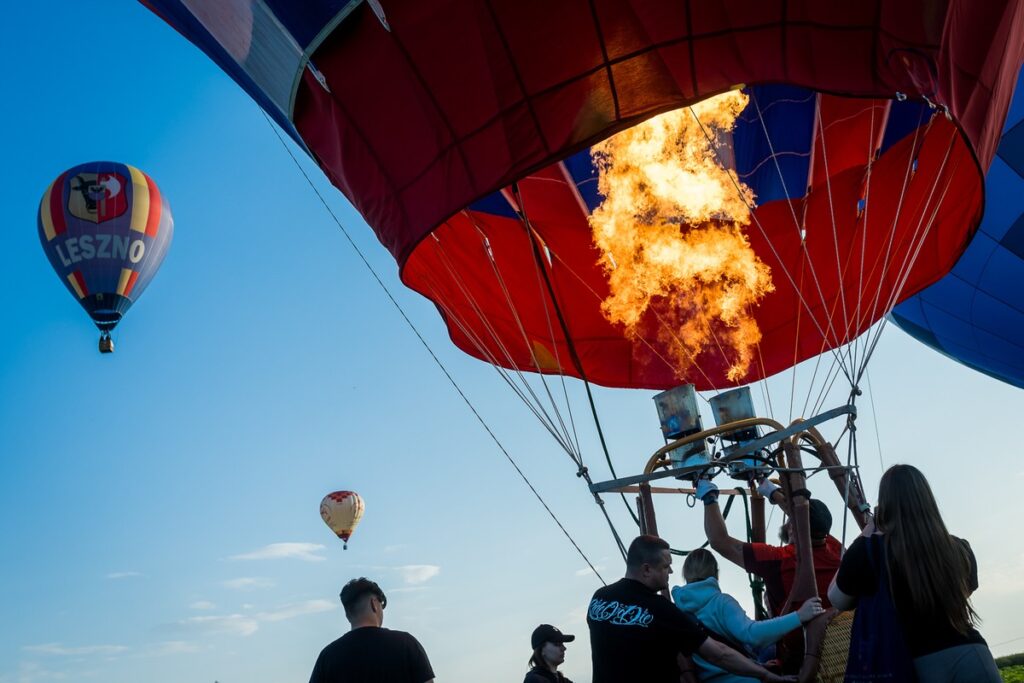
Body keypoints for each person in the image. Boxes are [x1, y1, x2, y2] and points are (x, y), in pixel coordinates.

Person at [828, 464, 1000, 682]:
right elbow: (963, 592)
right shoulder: (959, 548)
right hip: (972, 654)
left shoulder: (869, 551)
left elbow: (837, 599)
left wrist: (869, 528)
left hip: (914, 663)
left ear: (885, 505)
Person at [587, 534, 796, 683]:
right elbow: (719, 654)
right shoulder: (661, 609)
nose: (670, 571)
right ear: (647, 569)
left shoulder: (599, 599)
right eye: (665, 566)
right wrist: (765, 674)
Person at [672, 548, 825, 682]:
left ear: (686, 575)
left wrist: (757, 665)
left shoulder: (678, 610)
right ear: (715, 572)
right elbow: (752, 634)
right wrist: (799, 616)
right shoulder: (721, 602)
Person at [696, 477, 842, 615]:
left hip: (793, 633)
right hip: (837, 629)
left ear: (792, 528)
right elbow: (804, 520)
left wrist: (709, 497)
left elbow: (719, 541)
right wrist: (771, 491)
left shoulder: (779, 560)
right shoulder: (836, 549)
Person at [309, 577, 434, 683]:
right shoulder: (407, 645)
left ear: (347, 614)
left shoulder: (327, 657)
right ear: (374, 603)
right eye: (382, 604)